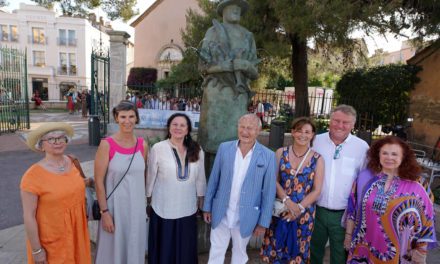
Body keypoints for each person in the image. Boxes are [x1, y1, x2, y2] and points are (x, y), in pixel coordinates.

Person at [343, 136, 436, 263]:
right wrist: (348, 236)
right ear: (378, 155)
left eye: (394, 154)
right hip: (361, 245)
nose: (389, 157)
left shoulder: (418, 184)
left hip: (399, 251)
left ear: (403, 157)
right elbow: (352, 209)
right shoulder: (364, 177)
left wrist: (421, 251)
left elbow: (427, 219)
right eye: (385, 153)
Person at [203, 114, 277, 264]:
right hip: (221, 211)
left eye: (250, 128)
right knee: (216, 251)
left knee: (240, 253)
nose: (245, 131)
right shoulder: (224, 148)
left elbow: (269, 192)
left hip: (247, 215)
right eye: (242, 127)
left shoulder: (268, 156)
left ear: (258, 131)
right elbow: (214, 179)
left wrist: (263, 222)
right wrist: (207, 207)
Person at [20, 122, 91, 264]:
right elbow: (29, 216)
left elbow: (74, 186)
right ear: (41, 145)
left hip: (77, 234)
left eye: (61, 138)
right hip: (52, 241)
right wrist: (37, 250)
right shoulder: (32, 176)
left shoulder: (72, 162)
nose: (57, 142)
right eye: (51, 139)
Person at [198, 0, 259, 155]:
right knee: (211, 143)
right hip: (215, 93)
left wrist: (245, 65)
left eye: (239, 7)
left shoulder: (248, 36)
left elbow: (255, 72)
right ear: (223, 10)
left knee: (235, 142)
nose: (237, 9)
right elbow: (202, 67)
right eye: (232, 6)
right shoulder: (213, 32)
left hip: (238, 95)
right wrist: (227, 66)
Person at [310, 104, 369, 264]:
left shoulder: (362, 147)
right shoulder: (315, 141)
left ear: (353, 124)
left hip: (344, 215)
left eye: (345, 122)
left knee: (340, 255)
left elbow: (365, 181)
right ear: (330, 120)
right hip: (315, 210)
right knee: (312, 251)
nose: (340, 126)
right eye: (336, 120)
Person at [261, 117, 324, 263]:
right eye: (299, 130)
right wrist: (287, 201)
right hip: (280, 209)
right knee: (275, 247)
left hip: (303, 214)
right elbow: (273, 180)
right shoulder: (280, 153)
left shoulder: (318, 159)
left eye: (307, 132)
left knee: (297, 251)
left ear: (312, 135)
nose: (303, 135)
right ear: (293, 132)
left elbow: (317, 190)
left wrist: (298, 208)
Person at [146, 113, 206, 263]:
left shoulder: (197, 149)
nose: (178, 128)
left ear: (187, 130)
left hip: (187, 207)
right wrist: (147, 200)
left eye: (182, 125)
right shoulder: (158, 148)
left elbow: (200, 178)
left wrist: (201, 202)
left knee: (185, 249)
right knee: (164, 249)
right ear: (169, 127)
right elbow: (150, 177)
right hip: (163, 208)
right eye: (175, 124)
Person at [94, 100, 148, 264]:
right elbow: (98, 182)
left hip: (137, 208)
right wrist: (105, 213)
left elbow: (143, 177)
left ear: (136, 119)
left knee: (134, 247)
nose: (127, 121)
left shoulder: (142, 145)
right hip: (115, 209)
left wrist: (145, 208)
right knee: (112, 252)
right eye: (123, 116)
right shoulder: (106, 145)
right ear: (116, 118)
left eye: (131, 116)